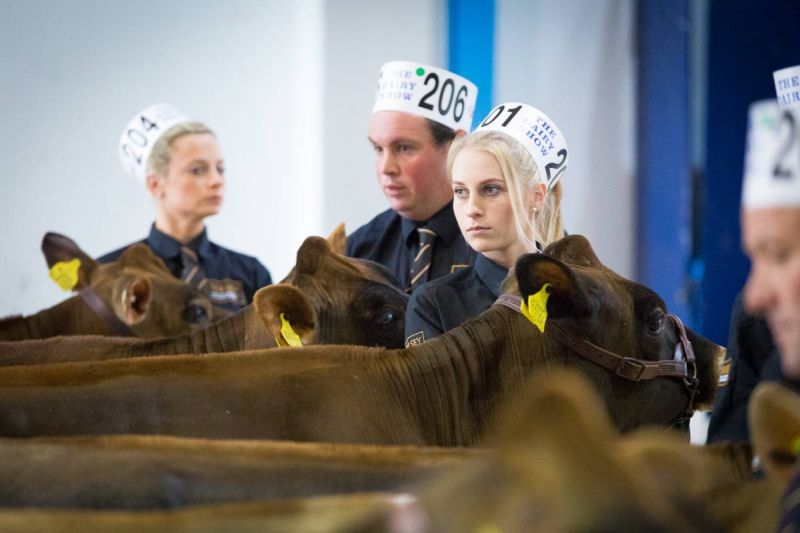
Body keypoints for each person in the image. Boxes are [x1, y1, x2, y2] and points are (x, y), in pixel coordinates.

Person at [404, 102, 568, 346]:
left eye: (491, 189)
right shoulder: (434, 304)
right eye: (460, 191)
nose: (472, 209)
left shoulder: (578, 295)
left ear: (537, 196)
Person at [100, 103, 271, 312]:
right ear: (155, 184)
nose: (216, 180)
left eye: (220, 168)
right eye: (198, 170)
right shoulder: (109, 274)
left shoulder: (250, 273)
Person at [346, 61, 480, 292]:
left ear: (455, 146)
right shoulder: (360, 251)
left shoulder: (497, 241)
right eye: (378, 149)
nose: (386, 167)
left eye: (404, 148)